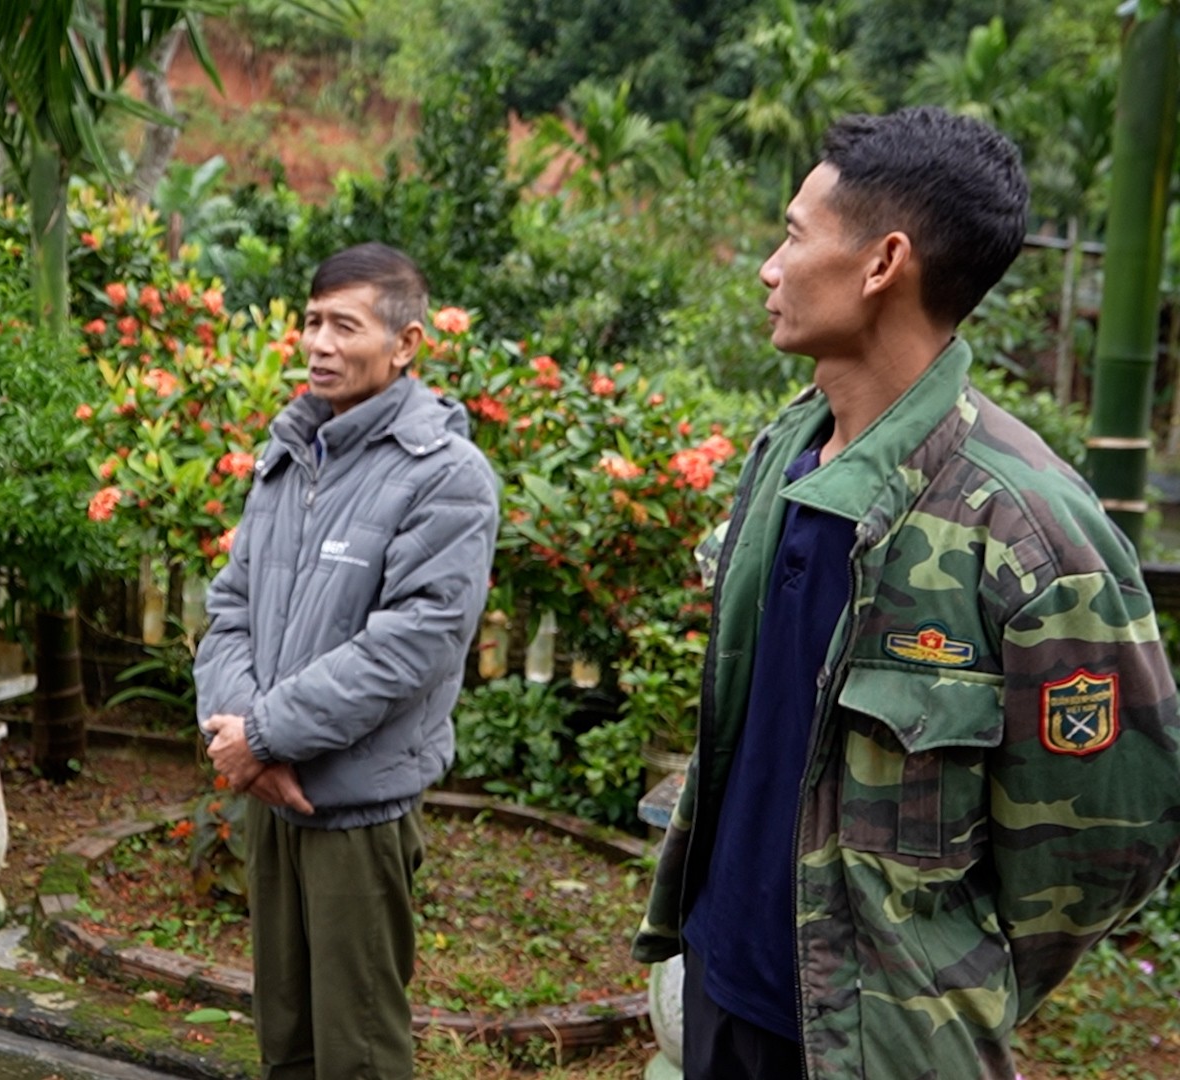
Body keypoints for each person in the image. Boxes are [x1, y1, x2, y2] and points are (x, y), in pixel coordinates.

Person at [632, 107, 1180, 1079]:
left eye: (793, 236)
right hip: (723, 993)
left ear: (883, 263)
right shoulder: (788, 451)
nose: (768, 268)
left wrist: (939, 978)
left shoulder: (1026, 527)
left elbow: (1111, 840)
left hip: (885, 1049)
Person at [195, 242, 499, 1079]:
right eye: (311, 322)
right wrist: (243, 743)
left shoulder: (446, 477)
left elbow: (413, 644)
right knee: (284, 1039)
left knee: (358, 1053)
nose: (319, 345)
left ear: (405, 344)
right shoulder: (291, 454)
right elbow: (230, 609)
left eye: (345, 326)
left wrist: (262, 735)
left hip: (355, 814)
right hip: (273, 798)